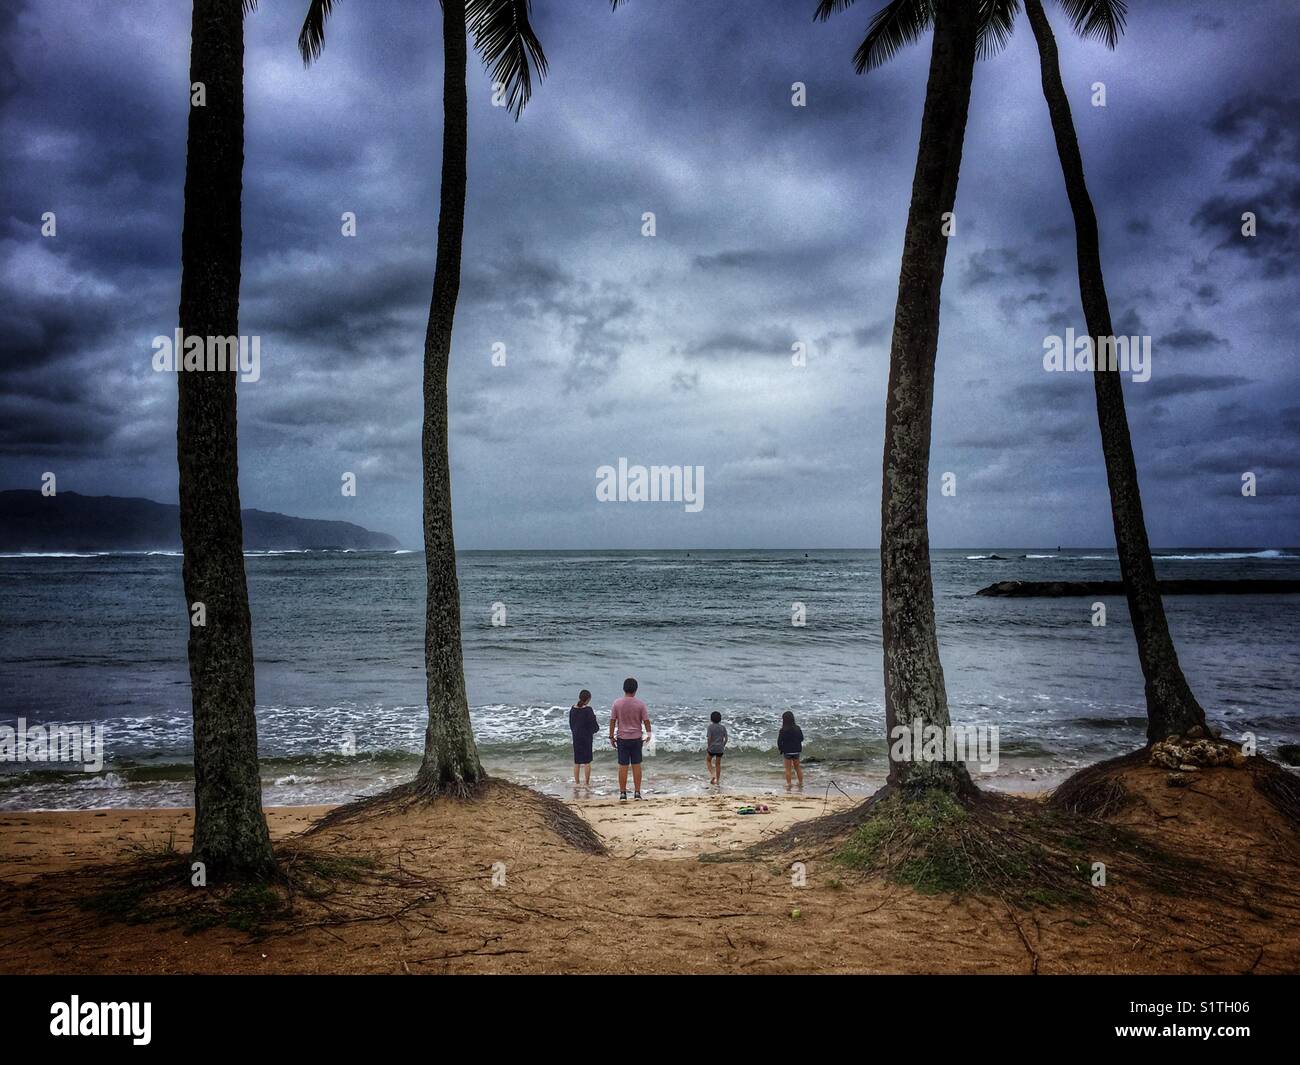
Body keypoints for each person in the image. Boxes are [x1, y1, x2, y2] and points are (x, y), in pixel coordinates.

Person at [609, 677, 651, 801]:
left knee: (623, 766)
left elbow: (612, 721)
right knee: (636, 765)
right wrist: (649, 734)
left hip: (622, 738)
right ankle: (637, 793)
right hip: (636, 738)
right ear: (636, 689)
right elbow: (646, 721)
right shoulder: (640, 704)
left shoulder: (617, 703)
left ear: (624, 689)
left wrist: (611, 736)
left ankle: (623, 794)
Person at [569, 689, 599, 788]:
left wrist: (575, 732)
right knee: (587, 761)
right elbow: (594, 725)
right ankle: (586, 783)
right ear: (588, 699)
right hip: (586, 737)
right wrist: (594, 731)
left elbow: (571, 724)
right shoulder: (588, 710)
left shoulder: (573, 709)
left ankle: (577, 783)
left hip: (576, 737)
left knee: (577, 761)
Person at [778, 710, 804, 789]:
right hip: (796, 751)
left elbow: (779, 741)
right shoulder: (797, 728)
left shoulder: (783, 730)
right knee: (798, 768)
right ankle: (800, 782)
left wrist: (781, 749)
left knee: (788, 769)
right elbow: (801, 738)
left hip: (787, 752)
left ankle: (789, 784)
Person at [706, 711, 727, 785]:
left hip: (712, 747)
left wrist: (708, 747)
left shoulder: (710, 727)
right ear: (720, 719)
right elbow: (726, 738)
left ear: (711, 719)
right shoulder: (723, 727)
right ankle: (717, 781)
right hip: (720, 748)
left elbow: (709, 738)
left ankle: (713, 775)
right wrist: (723, 745)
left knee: (708, 761)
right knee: (718, 764)